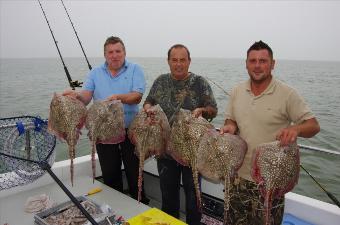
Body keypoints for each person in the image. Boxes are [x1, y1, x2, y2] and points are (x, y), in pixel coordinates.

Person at [220, 40, 320, 225]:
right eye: (253, 61)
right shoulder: (237, 91)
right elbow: (231, 120)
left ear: (272, 64)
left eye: (263, 61)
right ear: (246, 64)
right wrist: (230, 127)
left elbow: (313, 125)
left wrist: (295, 129)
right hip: (237, 177)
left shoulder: (287, 94)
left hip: (270, 182)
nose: (257, 66)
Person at [63, 36, 149, 204]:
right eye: (110, 52)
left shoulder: (135, 69)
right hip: (103, 131)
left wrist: (118, 97)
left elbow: (137, 97)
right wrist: (76, 95)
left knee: (135, 173)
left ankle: (141, 204)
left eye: (118, 51)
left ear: (124, 53)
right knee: (110, 174)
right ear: (105, 55)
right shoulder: (95, 72)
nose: (114, 55)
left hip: (130, 130)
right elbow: (86, 97)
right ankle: (115, 208)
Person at [143, 44, 218, 225]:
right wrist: (147, 109)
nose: (178, 64)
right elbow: (149, 101)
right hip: (166, 152)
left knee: (193, 197)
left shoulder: (200, 83)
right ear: (168, 61)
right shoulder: (160, 81)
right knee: (168, 195)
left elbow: (213, 110)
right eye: (174, 60)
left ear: (189, 61)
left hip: (192, 151)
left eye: (182, 60)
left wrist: (202, 110)